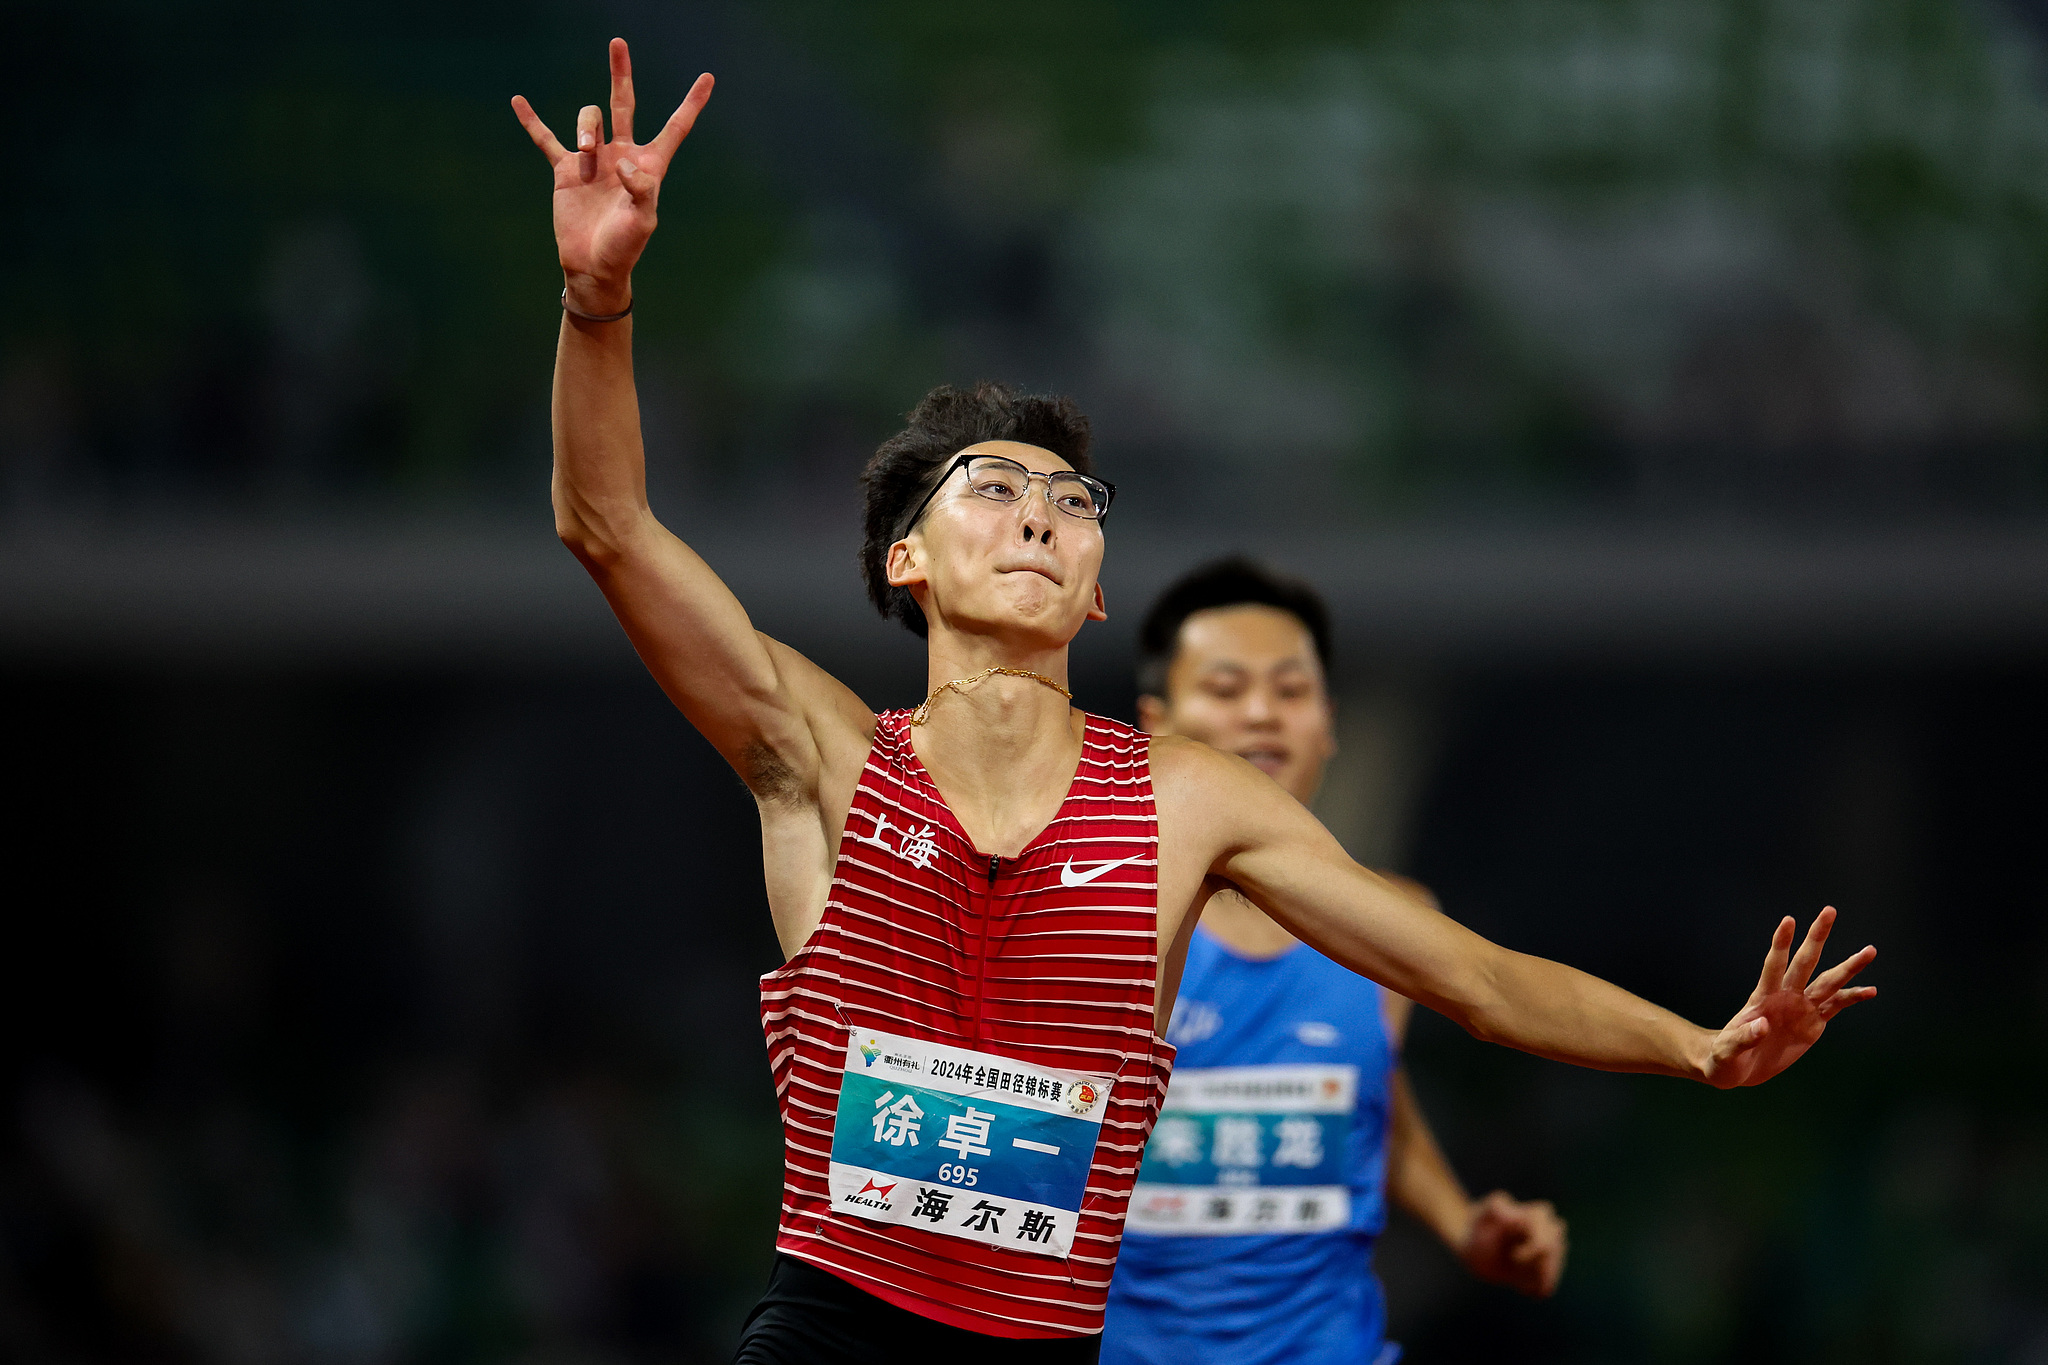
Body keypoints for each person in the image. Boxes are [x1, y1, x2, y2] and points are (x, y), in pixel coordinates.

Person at [509, 40, 1877, 1365]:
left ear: (1099, 587)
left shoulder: (1188, 799)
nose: (1042, 516)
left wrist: (1700, 1048)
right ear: (905, 561)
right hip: (828, 1335)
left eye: (1072, 501)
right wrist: (597, 300)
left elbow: (1466, 976)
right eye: (994, 487)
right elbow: (610, 527)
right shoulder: (822, 754)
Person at [1105, 558, 1563, 1365]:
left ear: (1327, 722)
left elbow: (1365, 1094)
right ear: (1154, 723)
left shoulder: (1400, 923)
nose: (1262, 715)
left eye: (1289, 691)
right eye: (1225, 687)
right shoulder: (1097, 922)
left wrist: (1462, 1223)